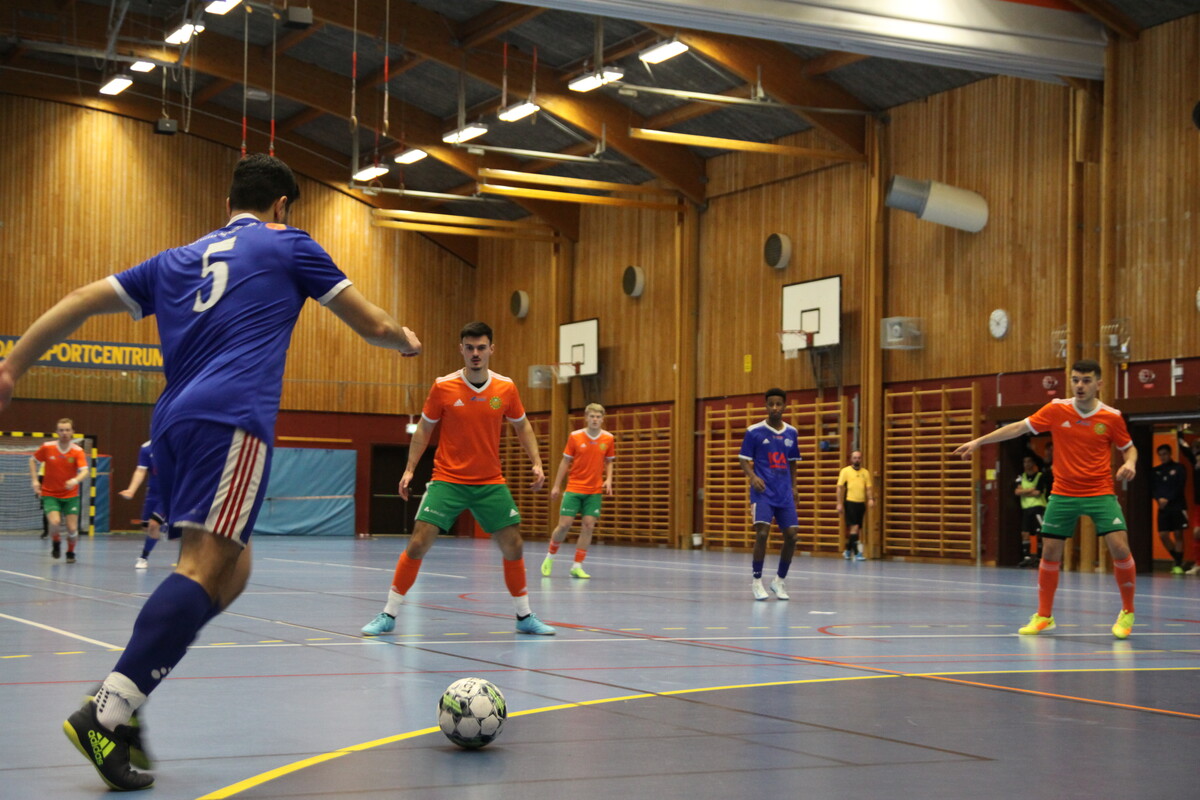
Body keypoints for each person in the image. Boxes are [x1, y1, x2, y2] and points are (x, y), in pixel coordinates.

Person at [0, 153, 421, 790]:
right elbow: (376, 325)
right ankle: (108, 710)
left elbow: (81, 300)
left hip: (172, 425)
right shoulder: (290, 244)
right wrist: (406, 340)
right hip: (232, 419)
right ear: (282, 205)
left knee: (233, 568)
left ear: (228, 204)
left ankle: (128, 692)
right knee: (203, 567)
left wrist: (13, 367)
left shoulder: (175, 259)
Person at [361, 321, 556, 637]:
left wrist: (536, 462)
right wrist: (409, 469)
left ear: (491, 349)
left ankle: (524, 616)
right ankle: (388, 613)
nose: (475, 353)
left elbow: (522, 425)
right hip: (448, 479)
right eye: (470, 348)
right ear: (461, 350)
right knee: (418, 542)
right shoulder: (443, 386)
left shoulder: (506, 388)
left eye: (481, 347)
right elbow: (424, 429)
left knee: (514, 545)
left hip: (490, 481)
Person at [953, 359, 1137, 639]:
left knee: (1120, 548)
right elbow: (1018, 427)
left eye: (1086, 380)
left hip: (1100, 492)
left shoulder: (1111, 417)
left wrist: (1131, 463)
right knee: (1049, 552)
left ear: (1099, 384)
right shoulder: (1056, 409)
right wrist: (979, 441)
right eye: (1075, 379)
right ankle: (1044, 616)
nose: (1080, 385)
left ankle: (1127, 612)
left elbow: (1129, 448)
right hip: (1063, 493)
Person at [738, 388, 800, 601]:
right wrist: (753, 477)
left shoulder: (792, 432)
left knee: (792, 535)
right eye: (771, 404)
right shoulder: (754, 431)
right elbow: (743, 459)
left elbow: (793, 462)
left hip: (784, 493)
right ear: (766, 406)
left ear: (784, 406)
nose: (775, 408)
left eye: (778, 404)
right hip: (763, 492)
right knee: (762, 533)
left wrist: (794, 487)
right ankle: (757, 581)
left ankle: (779, 581)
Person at [541, 403, 615, 579]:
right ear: (586, 418)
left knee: (588, 526)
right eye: (592, 416)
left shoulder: (608, 438)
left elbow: (609, 461)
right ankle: (550, 557)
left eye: (598, 417)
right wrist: (556, 486)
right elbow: (565, 462)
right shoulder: (575, 436)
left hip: (594, 490)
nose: (595, 419)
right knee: (564, 525)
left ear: (602, 419)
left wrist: (609, 479)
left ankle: (577, 565)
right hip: (574, 488)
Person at [29, 418, 88, 563]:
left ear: (72, 432)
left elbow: (85, 471)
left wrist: (75, 480)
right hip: (50, 494)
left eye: (67, 430)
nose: (64, 433)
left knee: (72, 528)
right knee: (55, 522)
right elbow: (32, 460)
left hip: (70, 495)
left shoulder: (77, 451)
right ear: (56, 432)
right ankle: (56, 541)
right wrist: (35, 480)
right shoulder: (47, 447)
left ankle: (70, 552)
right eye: (61, 430)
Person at [119, 439, 165, 569]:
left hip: (169, 494)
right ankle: (164, 526)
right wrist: (131, 490)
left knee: (153, 524)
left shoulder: (176, 445)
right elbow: (140, 471)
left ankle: (143, 557)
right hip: (153, 494)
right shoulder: (146, 448)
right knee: (147, 527)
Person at [1152, 443, 1188, 575]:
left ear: (1170, 454)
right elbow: (1153, 488)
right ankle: (1178, 559)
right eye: (1160, 455)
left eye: (1165, 454)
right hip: (1163, 507)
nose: (1163, 457)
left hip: (1177, 505)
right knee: (1163, 535)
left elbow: (1180, 486)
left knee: (1178, 534)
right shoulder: (1155, 471)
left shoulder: (1179, 468)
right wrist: (1158, 499)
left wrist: (1168, 498)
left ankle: (1177, 564)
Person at [836, 450, 875, 561]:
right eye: (855, 458)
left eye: (859, 458)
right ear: (851, 459)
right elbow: (839, 488)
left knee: (856, 528)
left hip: (861, 503)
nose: (857, 460)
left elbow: (868, 488)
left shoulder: (865, 473)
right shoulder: (845, 471)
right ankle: (857, 553)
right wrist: (839, 503)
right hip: (850, 502)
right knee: (855, 527)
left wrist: (870, 499)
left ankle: (848, 551)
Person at [1014, 455, 1048, 567]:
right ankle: (1027, 557)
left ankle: (1040, 557)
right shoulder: (1021, 477)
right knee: (1025, 533)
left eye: (1029, 461)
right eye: (1025, 462)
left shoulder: (1040, 476)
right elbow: (1017, 492)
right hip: (1026, 508)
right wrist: (1031, 489)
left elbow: (1037, 493)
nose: (1027, 464)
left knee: (1040, 533)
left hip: (1038, 507)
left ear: (1033, 463)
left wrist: (1024, 491)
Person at [1178, 433, 1200, 575]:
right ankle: (1198, 563)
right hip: (1198, 503)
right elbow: (1183, 447)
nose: (1196, 450)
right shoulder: (1195, 461)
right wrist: (1179, 430)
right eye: (1195, 448)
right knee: (1197, 533)